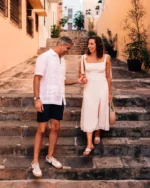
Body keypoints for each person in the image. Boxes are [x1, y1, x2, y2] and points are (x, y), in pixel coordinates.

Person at [32, 36, 84, 177]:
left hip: (58, 98)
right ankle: (35, 161)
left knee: (55, 127)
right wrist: (37, 99)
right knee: (42, 129)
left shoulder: (63, 61)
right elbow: (37, 78)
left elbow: (62, 81)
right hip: (45, 98)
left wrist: (77, 82)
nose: (68, 51)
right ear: (61, 45)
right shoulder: (45, 57)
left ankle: (49, 157)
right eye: (67, 48)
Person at [79, 35, 112, 156]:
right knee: (89, 112)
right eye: (88, 44)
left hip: (102, 87)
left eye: (92, 44)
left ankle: (97, 134)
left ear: (98, 44)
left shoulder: (106, 58)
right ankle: (89, 143)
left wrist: (110, 93)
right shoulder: (83, 58)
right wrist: (82, 78)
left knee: (99, 111)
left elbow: (108, 77)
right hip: (89, 88)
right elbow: (81, 74)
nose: (89, 46)